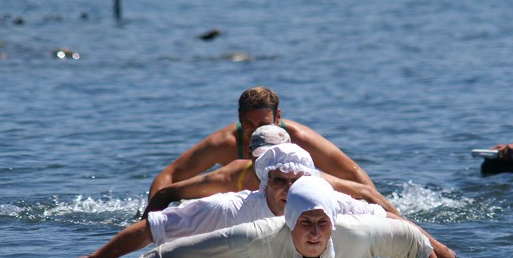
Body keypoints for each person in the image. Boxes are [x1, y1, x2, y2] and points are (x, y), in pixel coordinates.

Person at [69, 144, 457, 258]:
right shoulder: (230, 208)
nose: (288, 191)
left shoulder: (330, 206)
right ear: (263, 183)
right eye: (279, 182)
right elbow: (154, 229)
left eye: (296, 182)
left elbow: (389, 222)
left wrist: (438, 249)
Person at [108, 176, 452, 258]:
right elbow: (178, 254)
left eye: (322, 222)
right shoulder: (256, 239)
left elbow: (414, 242)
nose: (315, 232)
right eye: (305, 223)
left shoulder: (359, 231)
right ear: (289, 223)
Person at [147, 86, 375, 204]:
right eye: (247, 123)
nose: (255, 130)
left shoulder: (299, 137)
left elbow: (351, 172)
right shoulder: (224, 143)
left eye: (263, 123)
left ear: (278, 118)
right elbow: (169, 175)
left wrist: (376, 212)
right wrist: (149, 220)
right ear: (238, 118)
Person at [144, 124, 399, 218]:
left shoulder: (309, 180)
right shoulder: (228, 177)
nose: (272, 168)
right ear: (250, 154)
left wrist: (404, 228)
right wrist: (150, 231)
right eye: (264, 160)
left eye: (279, 160)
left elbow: (366, 191)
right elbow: (165, 194)